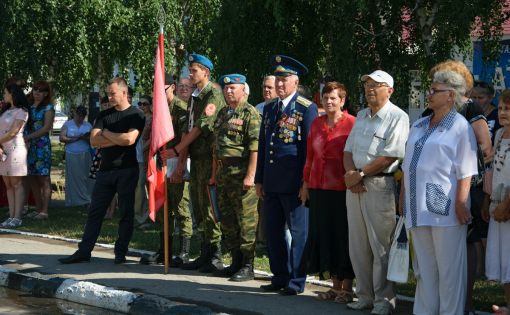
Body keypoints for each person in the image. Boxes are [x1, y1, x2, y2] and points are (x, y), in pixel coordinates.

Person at [401, 69, 478, 315]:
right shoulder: (420, 123)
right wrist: (402, 197)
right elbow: (408, 164)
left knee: (449, 273)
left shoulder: (460, 126)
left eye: (435, 90)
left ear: (450, 95)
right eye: (430, 89)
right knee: (424, 270)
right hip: (417, 207)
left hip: (446, 210)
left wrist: (461, 202)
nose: (429, 94)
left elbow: (466, 168)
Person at [58, 77, 145, 264]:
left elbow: (130, 140)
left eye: (113, 93)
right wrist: (115, 138)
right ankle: (84, 251)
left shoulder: (136, 115)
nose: (110, 96)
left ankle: (120, 253)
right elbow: (94, 141)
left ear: (124, 92)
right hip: (105, 171)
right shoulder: (104, 116)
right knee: (95, 211)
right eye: (108, 93)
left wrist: (106, 133)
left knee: (126, 213)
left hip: (127, 170)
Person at [343, 70, 409, 314]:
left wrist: (360, 175)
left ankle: (384, 300)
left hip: (380, 186)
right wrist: (352, 176)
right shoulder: (361, 115)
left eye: (376, 85)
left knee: (381, 246)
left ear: (389, 90)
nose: (370, 88)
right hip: (355, 185)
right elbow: (347, 151)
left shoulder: (397, 116)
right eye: (367, 84)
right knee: (358, 245)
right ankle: (365, 295)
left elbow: (391, 154)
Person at [255, 55, 318, 295]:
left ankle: (296, 280)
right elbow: (264, 145)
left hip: (294, 183)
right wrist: (260, 178)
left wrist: (306, 182)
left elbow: (309, 150)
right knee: (273, 232)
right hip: (271, 182)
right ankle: (279, 276)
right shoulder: (270, 108)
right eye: (278, 79)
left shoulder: (305, 107)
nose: (280, 84)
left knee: (299, 232)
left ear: (295, 81)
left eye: (285, 79)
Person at [160, 54, 226, 273]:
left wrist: (177, 149)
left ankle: (215, 255)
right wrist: (180, 162)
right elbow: (188, 130)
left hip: (209, 157)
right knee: (197, 207)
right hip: (195, 159)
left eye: (194, 70)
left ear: (205, 72)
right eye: (189, 70)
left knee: (208, 206)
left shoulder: (213, 95)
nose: (190, 74)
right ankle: (204, 252)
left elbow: (199, 128)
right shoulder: (195, 97)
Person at [301, 82, 356, 303]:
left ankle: (347, 288)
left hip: (342, 189)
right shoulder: (316, 123)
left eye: (333, 98)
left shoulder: (353, 123)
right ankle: (334, 286)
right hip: (318, 188)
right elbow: (310, 157)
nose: (329, 101)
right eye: (325, 98)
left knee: (343, 237)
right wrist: (305, 184)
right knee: (324, 237)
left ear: (342, 100)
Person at [210, 74, 260, 281]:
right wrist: (214, 175)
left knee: (246, 221)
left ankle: (248, 265)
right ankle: (236, 261)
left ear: (243, 90)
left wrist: (250, 176)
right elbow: (216, 147)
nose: (228, 91)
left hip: (241, 176)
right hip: (223, 175)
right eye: (226, 88)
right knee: (227, 220)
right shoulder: (222, 113)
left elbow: (255, 148)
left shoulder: (251, 114)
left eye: (233, 88)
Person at [140, 74, 192, 266]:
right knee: (163, 208)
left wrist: (180, 166)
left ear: (171, 87)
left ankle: (184, 252)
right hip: (160, 164)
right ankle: (165, 251)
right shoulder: (158, 111)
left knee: (181, 208)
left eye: (161, 87)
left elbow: (185, 140)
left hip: (177, 161)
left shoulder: (181, 108)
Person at [483, 89, 510, 312]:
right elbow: (493, 169)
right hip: (497, 203)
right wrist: (488, 200)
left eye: (508, 109)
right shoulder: (500, 134)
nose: (503, 112)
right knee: (504, 262)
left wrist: (506, 204)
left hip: (507, 206)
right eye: (500, 108)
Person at [24, 80, 55, 220]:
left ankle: (45, 211)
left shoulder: (48, 107)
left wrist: (29, 137)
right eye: (35, 89)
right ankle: (37, 208)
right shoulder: (28, 106)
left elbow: (46, 128)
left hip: (41, 146)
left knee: (44, 178)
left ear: (46, 94)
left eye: (41, 90)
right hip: (28, 146)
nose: (37, 92)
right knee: (32, 177)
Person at [0, 84, 30, 228]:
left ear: (13, 94)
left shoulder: (22, 111)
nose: (4, 95)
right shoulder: (5, 111)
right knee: (8, 185)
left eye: (6, 93)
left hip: (15, 150)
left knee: (16, 184)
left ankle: (18, 217)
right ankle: (11, 215)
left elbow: (13, 132)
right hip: (3, 150)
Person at [59, 106, 94, 207]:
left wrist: (85, 138)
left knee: (86, 177)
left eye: (83, 116)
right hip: (71, 153)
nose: (81, 118)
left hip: (85, 153)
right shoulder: (68, 124)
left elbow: (92, 140)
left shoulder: (88, 125)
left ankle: (87, 200)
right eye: (79, 115)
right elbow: (62, 137)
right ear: (75, 114)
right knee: (73, 177)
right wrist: (76, 138)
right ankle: (73, 200)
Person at [133, 95, 151, 226]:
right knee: (138, 188)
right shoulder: (136, 117)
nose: (142, 106)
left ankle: (145, 216)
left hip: (147, 156)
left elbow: (154, 137)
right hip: (135, 157)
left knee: (146, 187)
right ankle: (140, 215)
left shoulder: (152, 119)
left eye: (145, 104)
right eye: (140, 103)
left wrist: (144, 148)